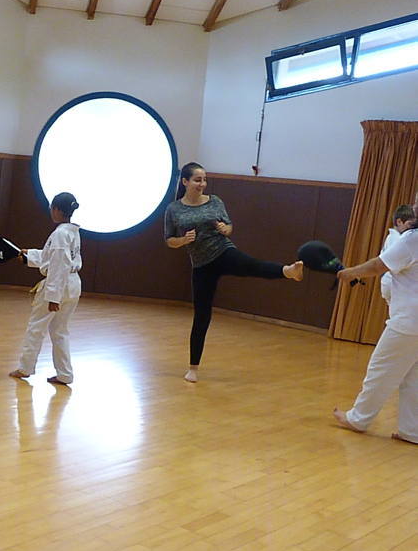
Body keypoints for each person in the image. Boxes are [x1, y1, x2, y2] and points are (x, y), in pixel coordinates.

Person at [164, 162, 304, 383]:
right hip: (201, 265)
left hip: (223, 251)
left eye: (204, 180)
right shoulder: (174, 209)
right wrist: (183, 240)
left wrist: (224, 229)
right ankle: (193, 368)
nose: (202, 184)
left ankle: (288, 271)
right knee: (201, 315)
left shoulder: (215, 201)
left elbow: (229, 227)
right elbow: (169, 240)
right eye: (197, 180)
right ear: (185, 182)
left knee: (252, 265)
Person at [333, 190, 418, 444]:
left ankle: (358, 419)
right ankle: (412, 430)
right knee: (413, 376)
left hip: (408, 321)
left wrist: (350, 273)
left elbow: (378, 266)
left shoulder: (412, 239)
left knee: (380, 369)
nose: (414, 207)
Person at [9, 192, 82, 386]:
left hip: (59, 284)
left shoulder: (60, 234)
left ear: (56, 209)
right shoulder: (72, 232)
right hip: (73, 284)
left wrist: (53, 297)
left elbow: (59, 264)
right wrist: (29, 255)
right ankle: (65, 374)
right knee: (60, 330)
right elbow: (55, 257)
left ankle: (25, 367)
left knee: (36, 327)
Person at [380, 204, 415, 305]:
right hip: (392, 282)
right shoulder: (395, 238)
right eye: (409, 224)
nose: (411, 228)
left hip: (390, 283)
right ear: (399, 222)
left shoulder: (395, 238)